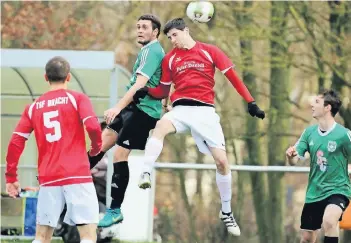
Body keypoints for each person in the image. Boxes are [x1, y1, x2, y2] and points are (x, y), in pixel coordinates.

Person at [133, 18, 265, 236]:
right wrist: (147, 91)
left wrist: (251, 102)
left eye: (175, 35)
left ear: (186, 31)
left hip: (205, 113)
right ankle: (146, 172)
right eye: (169, 38)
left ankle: (226, 211)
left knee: (222, 162)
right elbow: (164, 91)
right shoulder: (170, 60)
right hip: (181, 110)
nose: (172, 40)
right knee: (160, 128)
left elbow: (232, 77)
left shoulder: (209, 51)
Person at [5, 56, 102, 243]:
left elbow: (16, 142)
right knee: (88, 235)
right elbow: (92, 126)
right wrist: (96, 147)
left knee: (42, 237)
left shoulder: (33, 108)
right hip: (77, 175)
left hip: (49, 178)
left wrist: (11, 178)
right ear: (68, 77)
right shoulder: (77, 99)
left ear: (45, 78)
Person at [87, 14, 165, 228]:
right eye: (138, 27)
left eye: (145, 27)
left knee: (120, 154)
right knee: (101, 144)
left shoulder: (154, 50)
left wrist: (116, 107)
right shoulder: (146, 50)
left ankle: (114, 210)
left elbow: (140, 84)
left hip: (144, 111)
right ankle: (71, 177)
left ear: (155, 31)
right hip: (133, 108)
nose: (140, 30)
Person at [286, 90, 351, 243]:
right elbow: (294, 161)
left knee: (329, 221)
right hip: (314, 192)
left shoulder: (343, 135)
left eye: (316, 102)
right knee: (307, 238)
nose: (311, 105)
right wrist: (290, 157)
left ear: (327, 107)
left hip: (338, 189)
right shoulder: (308, 133)